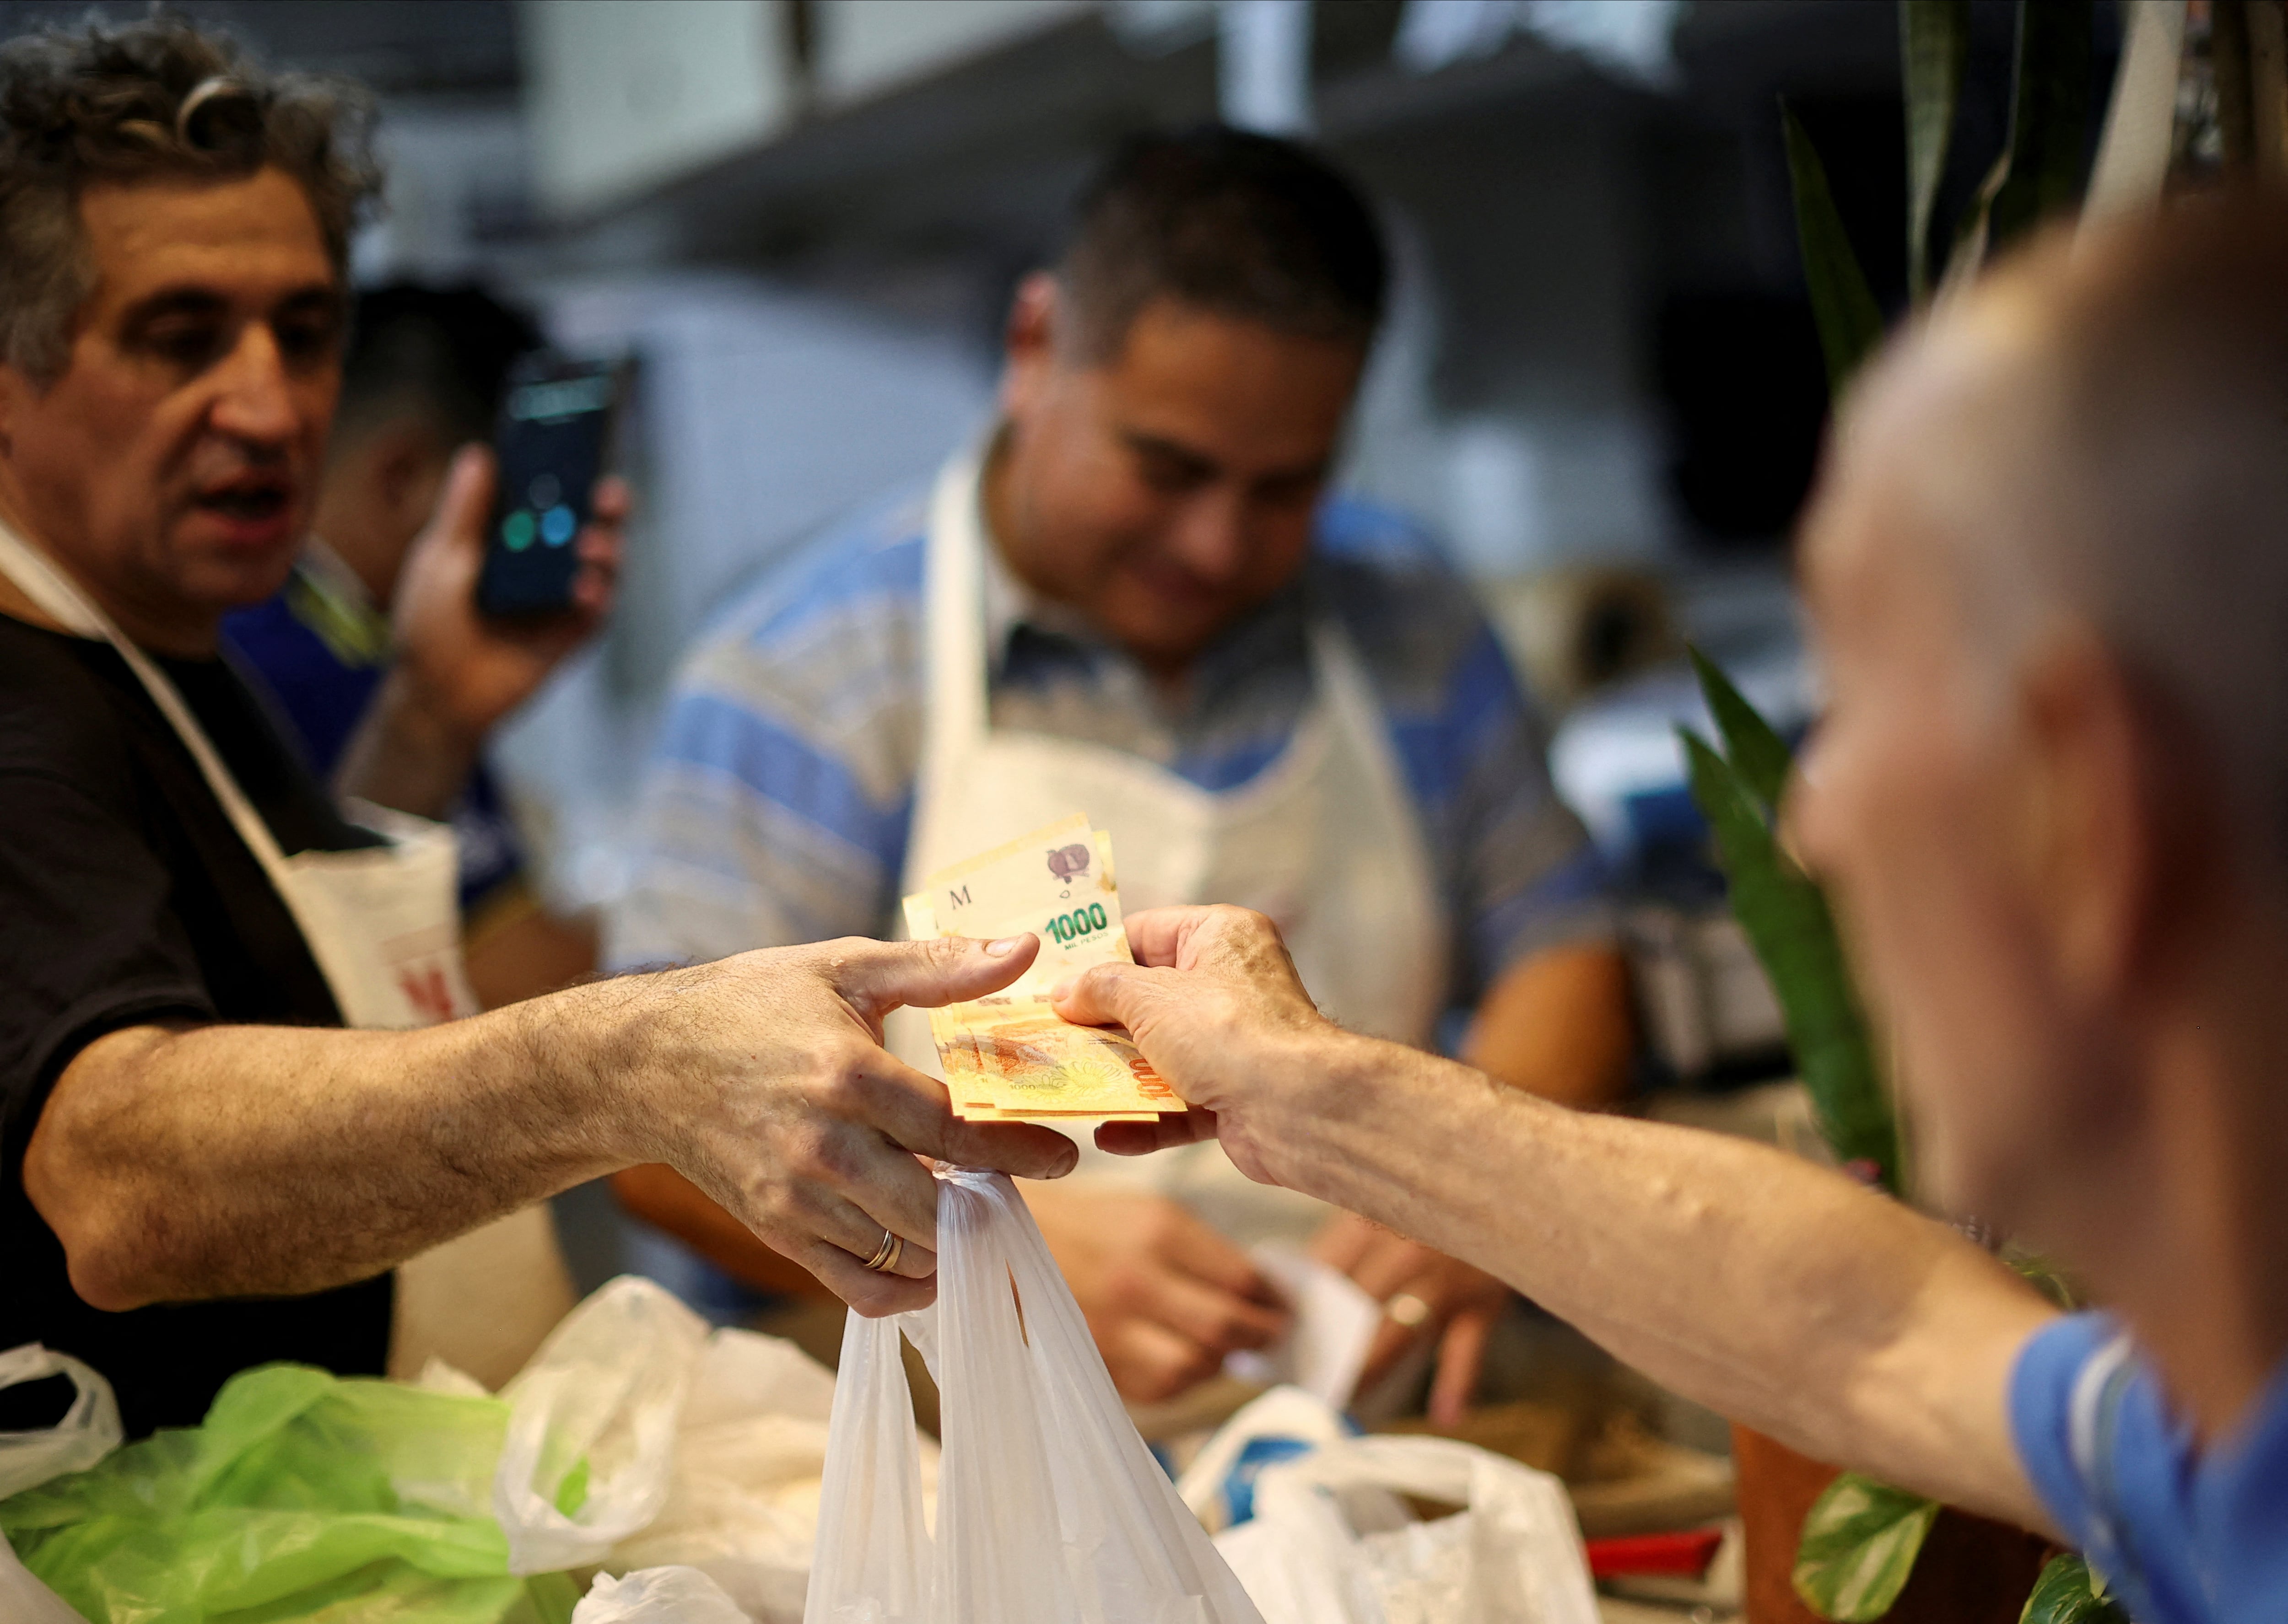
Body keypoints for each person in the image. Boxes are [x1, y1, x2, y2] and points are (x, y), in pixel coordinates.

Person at [1052, 199, 2288, 1624]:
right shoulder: (2184, 1437)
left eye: (1865, 692)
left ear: (2091, 809)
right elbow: (1872, 1332)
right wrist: (1307, 1090)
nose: (1812, 829)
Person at [0, 16, 1071, 1440]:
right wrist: (630, 1061)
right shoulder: (20, 696)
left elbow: (277, 988)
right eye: (178, 337)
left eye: (306, 330)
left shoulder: (162, 649)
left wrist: (435, 717)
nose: (268, 403)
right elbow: (122, 1180)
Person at [606, 126, 1635, 1416]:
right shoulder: (809, 680)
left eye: (1286, 488)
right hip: (953, 1464)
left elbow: (1568, 950)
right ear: (1034, 348)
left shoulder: (1408, 625)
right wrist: (972, 1254)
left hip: (1350, 1444)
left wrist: (1477, 1183)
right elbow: (654, 1132)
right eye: (1168, 467)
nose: (1215, 543)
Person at [223, 282, 597, 1010]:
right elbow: (512, 979)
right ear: (402, 479)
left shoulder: (380, 655)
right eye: (519, 513)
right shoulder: (302, 671)